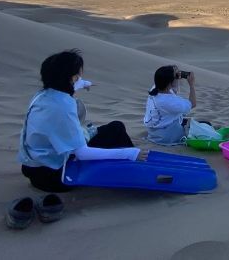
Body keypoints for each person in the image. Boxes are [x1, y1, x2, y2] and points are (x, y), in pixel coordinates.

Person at [18, 49, 147, 193]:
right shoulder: (62, 108)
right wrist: (129, 153)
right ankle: (133, 169)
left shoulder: (42, 95)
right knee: (117, 132)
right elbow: (82, 153)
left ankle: (128, 163)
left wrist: (83, 83)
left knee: (115, 128)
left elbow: (70, 86)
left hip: (33, 167)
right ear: (73, 78)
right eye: (79, 75)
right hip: (56, 176)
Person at [143, 65, 198, 145]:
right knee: (204, 125)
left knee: (188, 122)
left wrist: (175, 78)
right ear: (169, 82)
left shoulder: (155, 88)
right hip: (167, 135)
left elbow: (173, 90)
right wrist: (191, 85)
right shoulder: (168, 101)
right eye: (175, 76)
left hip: (155, 131)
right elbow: (192, 104)